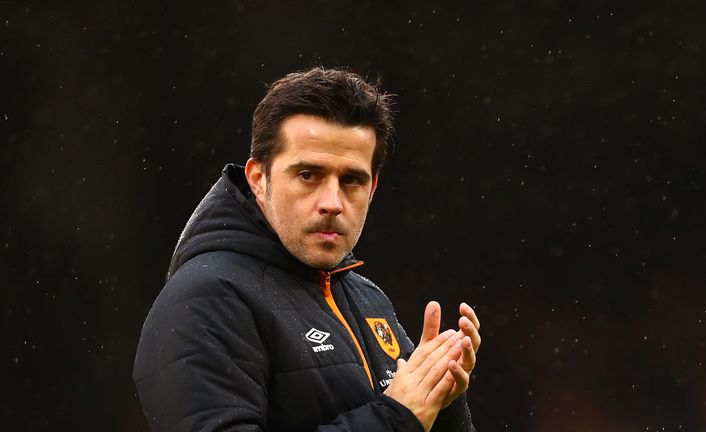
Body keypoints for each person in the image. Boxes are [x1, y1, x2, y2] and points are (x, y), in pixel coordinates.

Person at [133, 67, 481, 432]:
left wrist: (442, 403)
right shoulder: (205, 299)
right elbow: (397, 418)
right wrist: (395, 419)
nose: (332, 202)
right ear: (258, 179)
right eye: (308, 175)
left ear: (373, 187)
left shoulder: (367, 298)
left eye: (351, 180)